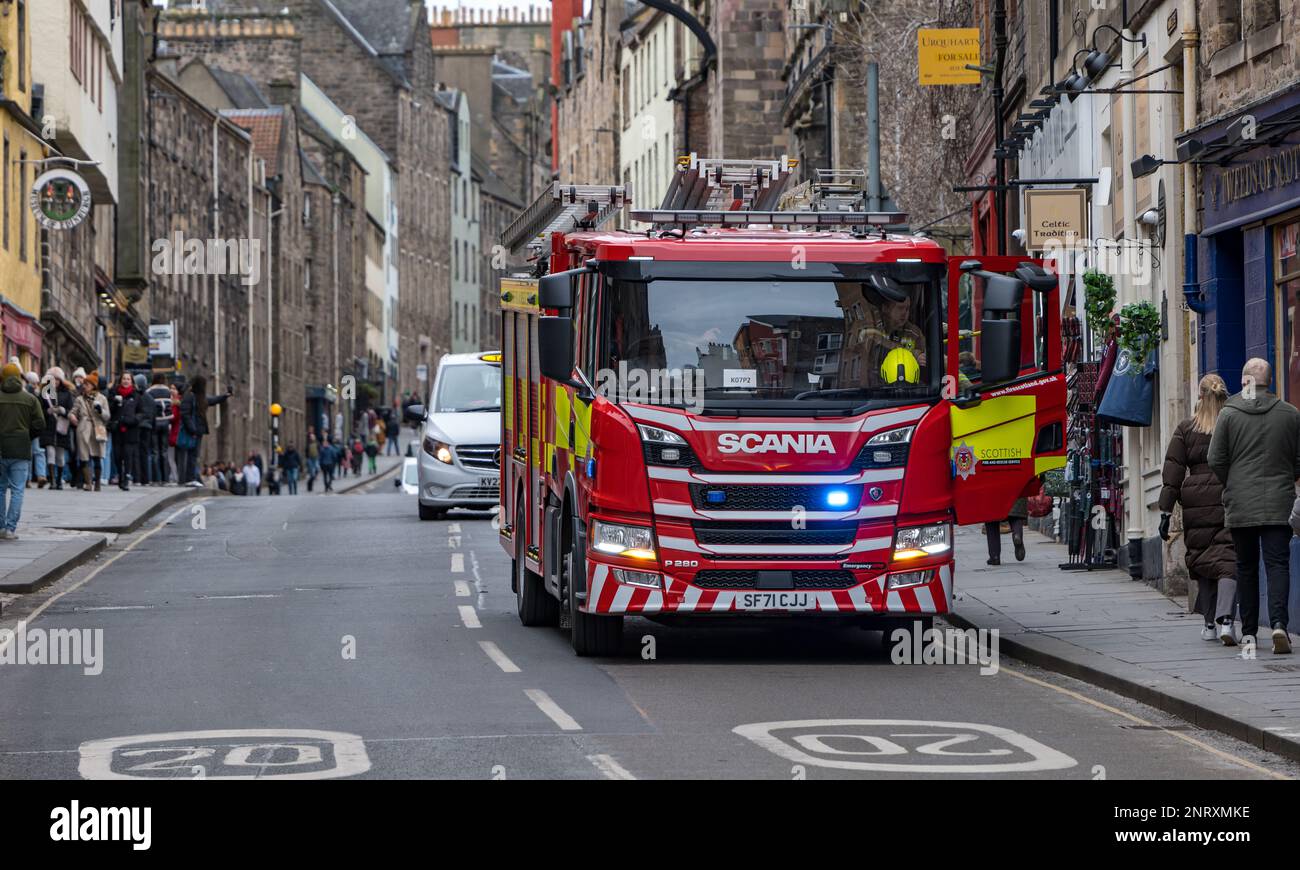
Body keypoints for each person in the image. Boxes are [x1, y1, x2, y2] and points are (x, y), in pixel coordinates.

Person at [1208, 358, 1300, 654]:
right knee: (1277, 565)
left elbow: (1216, 459)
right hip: (1279, 502)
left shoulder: (1229, 414)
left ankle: (1248, 633)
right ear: (1269, 382)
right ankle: (1279, 625)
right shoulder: (1290, 414)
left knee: (1246, 567)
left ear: (1245, 381)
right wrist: (1287, 475)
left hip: (1241, 503)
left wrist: (1232, 481)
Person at [1160, 374, 1240, 645]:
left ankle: (1209, 624)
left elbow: (1173, 470)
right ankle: (1227, 622)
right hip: (1227, 494)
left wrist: (1165, 511)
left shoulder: (1186, 428)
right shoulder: (1232, 424)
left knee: (1204, 559)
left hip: (1194, 500)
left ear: (1200, 396)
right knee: (1227, 560)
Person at [0, 362, 44, 538]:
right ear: (19, 377)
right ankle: (10, 529)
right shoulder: (30, 399)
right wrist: (28, 436)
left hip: (1, 449)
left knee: (0, 489)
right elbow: (40, 424)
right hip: (21, 450)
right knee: (18, 489)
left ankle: (0, 527)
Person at [178, 376, 232, 487]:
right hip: (193, 431)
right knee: (190, 455)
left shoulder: (200, 398)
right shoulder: (190, 397)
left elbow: (213, 400)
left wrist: (225, 396)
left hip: (198, 431)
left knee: (194, 455)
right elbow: (185, 414)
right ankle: (188, 478)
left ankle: (191, 477)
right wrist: (192, 429)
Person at [38, 367, 75, 491]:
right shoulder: (45, 393)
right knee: (50, 453)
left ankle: (59, 480)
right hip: (48, 427)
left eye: (57, 379)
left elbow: (71, 411)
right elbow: (39, 410)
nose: (55, 382)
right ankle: (52, 480)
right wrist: (47, 411)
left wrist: (63, 411)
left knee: (60, 455)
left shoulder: (67, 394)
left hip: (61, 428)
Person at [72, 373, 109, 491]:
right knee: (84, 456)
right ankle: (88, 483)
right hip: (84, 429)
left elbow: (107, 416)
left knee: (97, 456)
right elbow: (73, 411)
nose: (84, 386)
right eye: (84, 384)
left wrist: (100, 410)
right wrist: (71, 416)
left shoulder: (102, 398)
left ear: (93, 385)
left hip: (98, 428)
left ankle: (97, 482)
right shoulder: (79, 399)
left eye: (87, 384)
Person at [146, 374, 174, 485]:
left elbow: (148, 407)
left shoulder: (150, 392)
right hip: (166, 422)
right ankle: (165, 478)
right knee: (164, 451)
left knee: (154, 452)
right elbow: (170, 405)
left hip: (154, 422)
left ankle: (155, 478)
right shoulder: (168, 391)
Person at [984, 498, 1027, 566]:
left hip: (992, 494)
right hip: (1015, 491)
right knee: (1015, 516)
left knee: (991, 521)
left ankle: (995, 556)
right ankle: (1017, 534)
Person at [133, 374, 157, 485]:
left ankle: (137, 478)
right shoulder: (151, 399)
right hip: (148, 427)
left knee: (136, 453)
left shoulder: (136, 397)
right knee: (145, 453)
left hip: (137, 426)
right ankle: (145, 478)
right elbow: (153, 415)